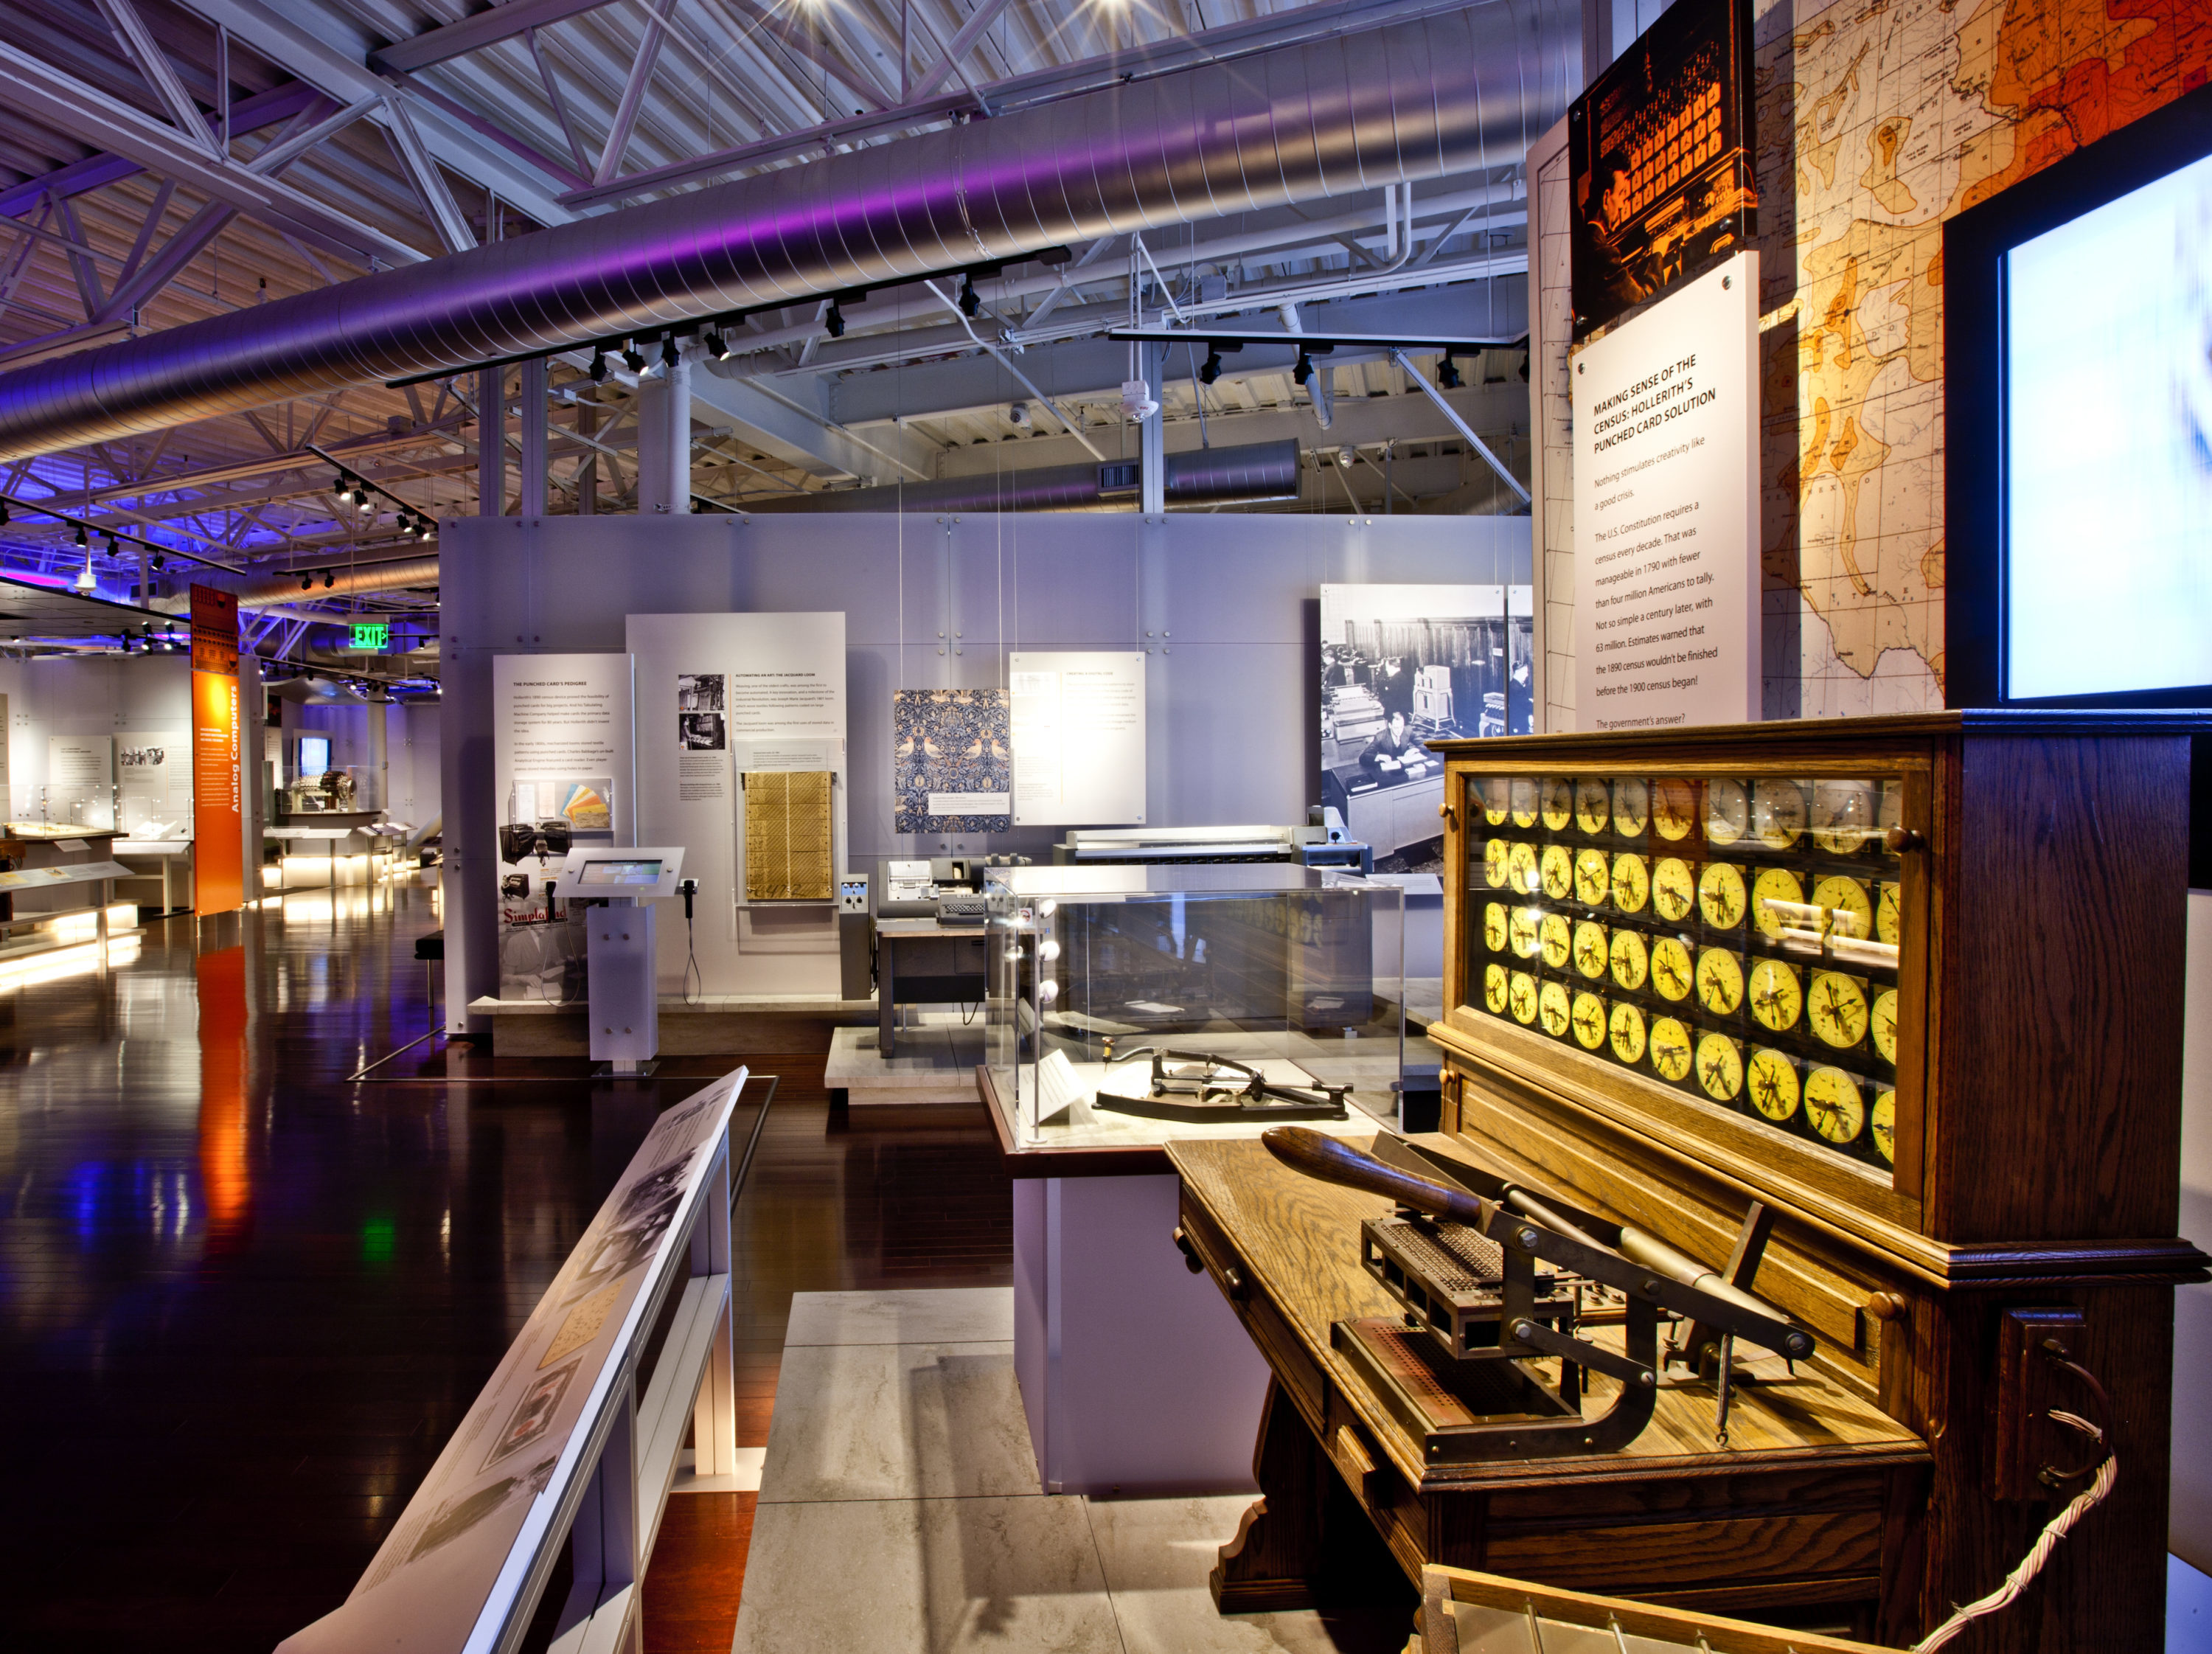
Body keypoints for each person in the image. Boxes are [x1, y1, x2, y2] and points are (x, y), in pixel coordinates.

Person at [1360, 709, 1427, 778]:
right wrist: (1378, 757)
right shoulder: (1381, 736)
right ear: (1390, 725)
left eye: (1401, 727)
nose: (1399, 731)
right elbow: (1363, 757)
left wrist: (1415, 749)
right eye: (1396, 728)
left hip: (1405, 770)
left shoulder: (1407, 731)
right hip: (1388, 773)